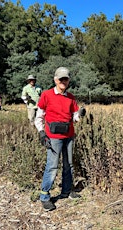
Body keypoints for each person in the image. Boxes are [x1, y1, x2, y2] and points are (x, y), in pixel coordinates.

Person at [35, 67, 86, 211]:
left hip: (69, 135)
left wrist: (80, 114)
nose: (64, 81)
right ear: (55, 80)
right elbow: (39, 117)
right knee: (52, 166)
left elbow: (74, 117)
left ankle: (66, 191)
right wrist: (41, 133)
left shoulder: (71, 97)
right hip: (54, 137)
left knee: (68, 165)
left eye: (66, 79)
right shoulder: (46, 95)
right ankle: (45, 196)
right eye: (61, 79)